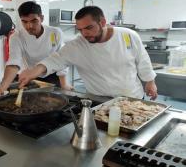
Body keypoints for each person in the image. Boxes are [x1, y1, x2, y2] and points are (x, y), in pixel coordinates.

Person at [18, 6, 158, 100]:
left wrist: (150, 82)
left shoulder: (128, 36)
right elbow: (55, 59)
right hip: (98, 100)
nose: (85, 34)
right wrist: (34, 71)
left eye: (89, 28)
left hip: (131, 97)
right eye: (80, 29)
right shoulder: (77, 45)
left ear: (102, 22)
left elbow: (143, 60)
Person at [0, 1, 71, 95]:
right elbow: (14, 62)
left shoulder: (55, 33)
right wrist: (1, 89)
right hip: (31, 76)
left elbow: (61, 59)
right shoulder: (17, 36)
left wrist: (64, 84)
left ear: (41, 18)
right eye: (24, 22)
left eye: (34, 21)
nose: (29, 26)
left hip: (53, 76)